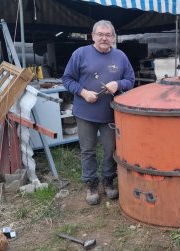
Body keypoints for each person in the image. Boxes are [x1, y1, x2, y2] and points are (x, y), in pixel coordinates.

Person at [62, 20, 135, 205]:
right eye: (100, 34)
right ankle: (91, 184)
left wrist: (118, 84)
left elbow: (131, 79)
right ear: (93, 36)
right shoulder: (80, 54)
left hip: (110, 113)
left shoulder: (120, 56)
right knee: (88, 150)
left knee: (110, 149)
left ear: (113, 37)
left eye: (108, 35)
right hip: (85, 113)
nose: (104, 38)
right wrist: (83, 92)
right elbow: (67, 79)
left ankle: (108, 181)